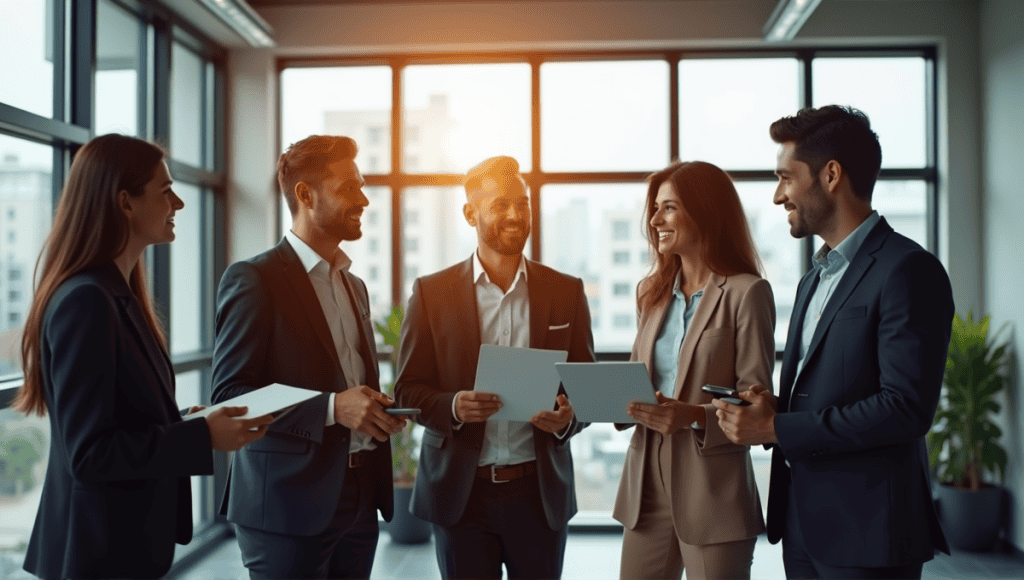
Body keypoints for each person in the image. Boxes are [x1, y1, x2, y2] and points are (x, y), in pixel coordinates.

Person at [13, 134, 271, 580]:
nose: (179, 204)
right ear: (125, 203)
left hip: (119, 548)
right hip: (96, 556)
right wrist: (201, 437)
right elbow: (91, 453)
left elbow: (119, 417)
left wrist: (186, 422)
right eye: (165, 190)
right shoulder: (87, 301)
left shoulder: (116, 295)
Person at [714, 105, 953, 580]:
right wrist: (773, 410)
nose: (779, 195)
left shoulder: (907, 269)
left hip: (870, 534)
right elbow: (832, 390)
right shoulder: (813, 278)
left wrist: (778, 430)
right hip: (803, 525)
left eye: (785, 177)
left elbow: (905, 408)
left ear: (830, 175)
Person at [212, 135, 408, 580]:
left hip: (358, 496)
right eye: (348, 188)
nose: (364, 200)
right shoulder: (254, 279)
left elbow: (347, 383)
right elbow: (231, 395)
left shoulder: (353, 285)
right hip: (284, 505)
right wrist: (334, 408)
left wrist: (375, 411)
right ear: (305, 194)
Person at [394, 155, 595, 580]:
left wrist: (567, 418)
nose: (516, 215)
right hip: (460, 497)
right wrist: (453, 406)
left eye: (522, 204)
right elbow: (407, 391)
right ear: (471, 213)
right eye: (502, 204)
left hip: (538, 494)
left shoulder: (565, 291)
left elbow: (586, 387)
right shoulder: (431, 293)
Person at [612, 161, 775, 580]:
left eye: (669, 208)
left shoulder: (746, 293)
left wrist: (693, 416)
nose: (655, 220)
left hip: (714, 487)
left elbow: (756, 400)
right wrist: (598, 400)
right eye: (655, 208)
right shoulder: (651, 294)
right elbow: (635, 378)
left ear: (704, 212)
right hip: (646, 483)